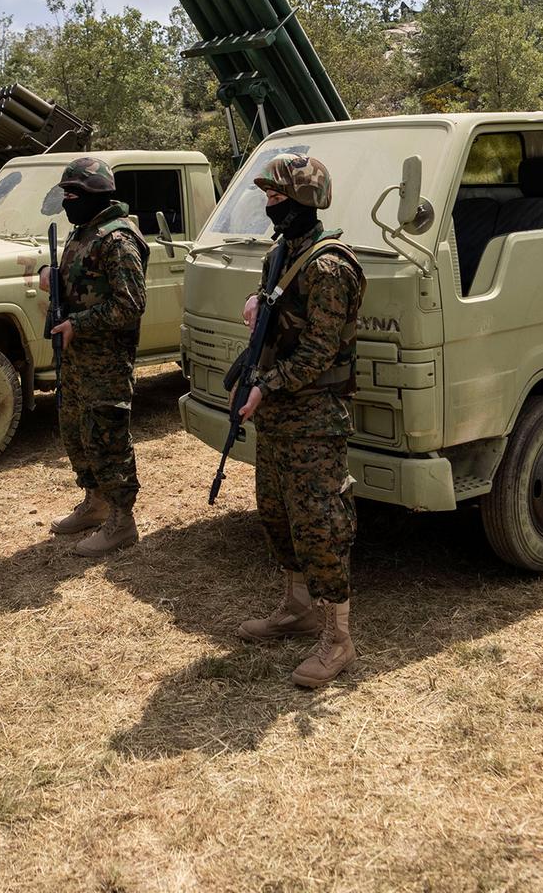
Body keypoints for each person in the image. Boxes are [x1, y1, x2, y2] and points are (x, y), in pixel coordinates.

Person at [235, 154, 366, 689]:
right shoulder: (282, 254)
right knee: (275, 511)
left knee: (319, 524)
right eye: (267, 197)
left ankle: (338, 640)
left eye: (278, 197)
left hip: (314, 415)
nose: (270, 205)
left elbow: (318, 352)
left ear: (305, 200)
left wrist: (265, 386)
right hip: (280, 414)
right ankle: (298, 608)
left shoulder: (329, 265)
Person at [38, 157, 148, 556]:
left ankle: (121, 520)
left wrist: (78, 325)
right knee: (76, 431)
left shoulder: (116, 239)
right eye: (65, 193)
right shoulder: (83, 233)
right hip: (77, 361)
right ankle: (95, 503)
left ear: (96, 194)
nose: (67, 201)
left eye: (73, 193)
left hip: (105, 361)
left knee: (107, 437)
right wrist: (49, 274)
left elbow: (131, 304)